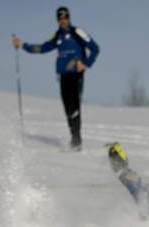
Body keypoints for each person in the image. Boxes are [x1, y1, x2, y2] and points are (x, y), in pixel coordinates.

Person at [12, 6, 100, 151]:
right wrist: (22, 45)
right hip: (63, 75)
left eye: (65, 17)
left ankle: (76, 141)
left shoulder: (77, 32)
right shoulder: (57, 36)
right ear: (57, 20)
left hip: (76, 75)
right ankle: (73, 139)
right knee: (67, 108)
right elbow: (43, 48)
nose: (63, 20)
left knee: (74, 107)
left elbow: (95, 48)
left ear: (69, 18)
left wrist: (86, 64)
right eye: (60, 18)